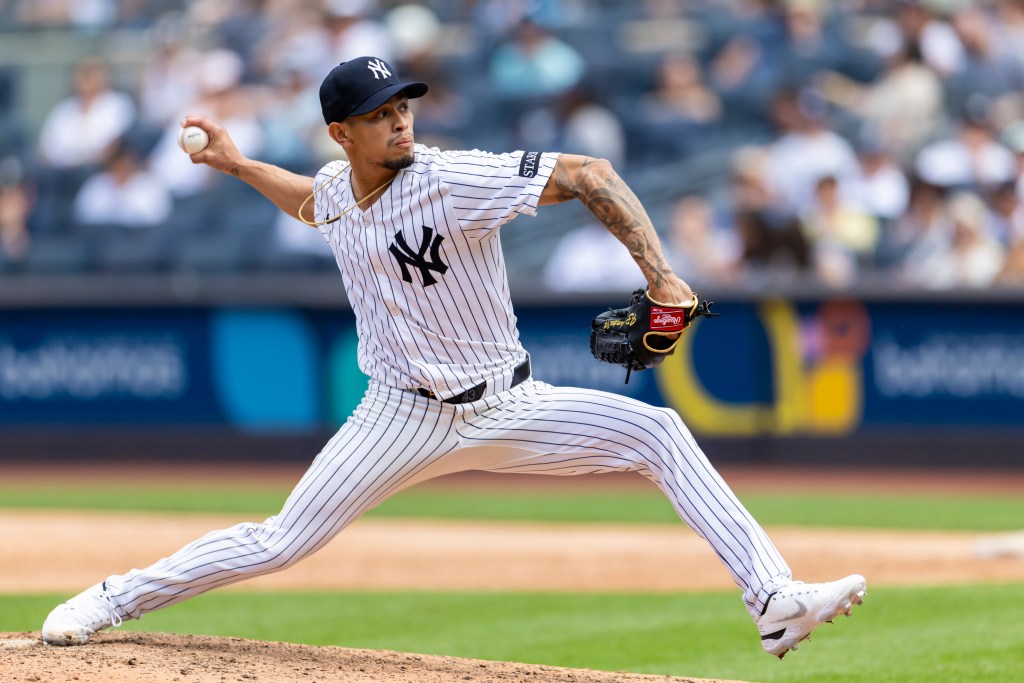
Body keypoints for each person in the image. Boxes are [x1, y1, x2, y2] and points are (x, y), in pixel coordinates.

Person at [40, 56, 866, 660]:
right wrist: (237, 163)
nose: (400, 120)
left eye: (404, 105)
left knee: (660, 434)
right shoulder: (339, 187)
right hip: (399, 413)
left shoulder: (451, 179)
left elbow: (589, 171)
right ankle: (116, 595)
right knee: (280, 539)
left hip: (509, 404)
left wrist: (662, 275)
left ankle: (773, 599)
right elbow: (312, 203)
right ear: (342, 132)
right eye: (380, 113)